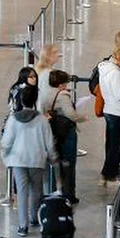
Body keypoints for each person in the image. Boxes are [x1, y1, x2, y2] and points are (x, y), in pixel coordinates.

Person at [0, 84, 56, 237]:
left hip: (18, 160)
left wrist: (6, 158)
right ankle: (34, 218)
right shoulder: (42, 120)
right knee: (36, 190)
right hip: (36, 159)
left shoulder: (13, 119)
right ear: (35, 100)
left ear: (21, 100)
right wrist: (53, 157)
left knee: (22, 191)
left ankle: (22, 226)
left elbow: (6, 142)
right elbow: (49, 142)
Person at [45, 70, 84, 203]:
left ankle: (54, 191)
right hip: (66, 133)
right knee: (69, 163)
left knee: (55, 163)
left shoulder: (47, 93)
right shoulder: (63, 95)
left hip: (54, 131)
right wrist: (81, 118)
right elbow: (70, 114)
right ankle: (69, 194)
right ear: (61, 84)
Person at [97, 47, 120, 186]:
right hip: (119, 112)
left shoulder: (104, 69)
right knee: (117, 146)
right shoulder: (116, 73)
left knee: (111, 144)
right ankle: (108, 174)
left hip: (109, 110)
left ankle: (107, 174)